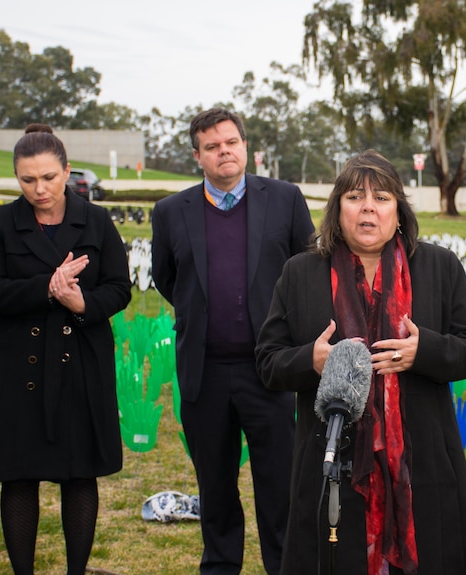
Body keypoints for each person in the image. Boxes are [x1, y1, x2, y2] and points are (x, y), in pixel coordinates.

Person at [255, 150, 466, 575]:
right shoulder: (301, 272)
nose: (368, 208)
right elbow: (269, 363)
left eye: (381, 198)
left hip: (421, 462)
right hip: (333, 462)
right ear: (337, 210)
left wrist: (425, 352)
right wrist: (310, 360)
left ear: (398, 211)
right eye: (354, 197)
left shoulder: (437, 266)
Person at [151, 107, 315, 575]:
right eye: (211, 146)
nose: (223, 151)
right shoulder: (170, 213)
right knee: (216, 486)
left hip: (271, 371)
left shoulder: (284, 200)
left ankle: (285, 566)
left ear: (245, 147)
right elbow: (168, 280)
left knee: (279, 485)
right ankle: (221, 565)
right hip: (204, 374)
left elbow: (307, 270)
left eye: (231, 142)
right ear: (198, 156)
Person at [0, 124, 132, 575]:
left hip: (79, 363)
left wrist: (82, 303)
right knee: (19, 477)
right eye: (27, 179)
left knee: (79, 474)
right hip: (14, 366)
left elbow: (120, 289)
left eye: (48, 177)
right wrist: (48, 287)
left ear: (66, 171)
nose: (39, 189)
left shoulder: (96, 220)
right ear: (15, 178)